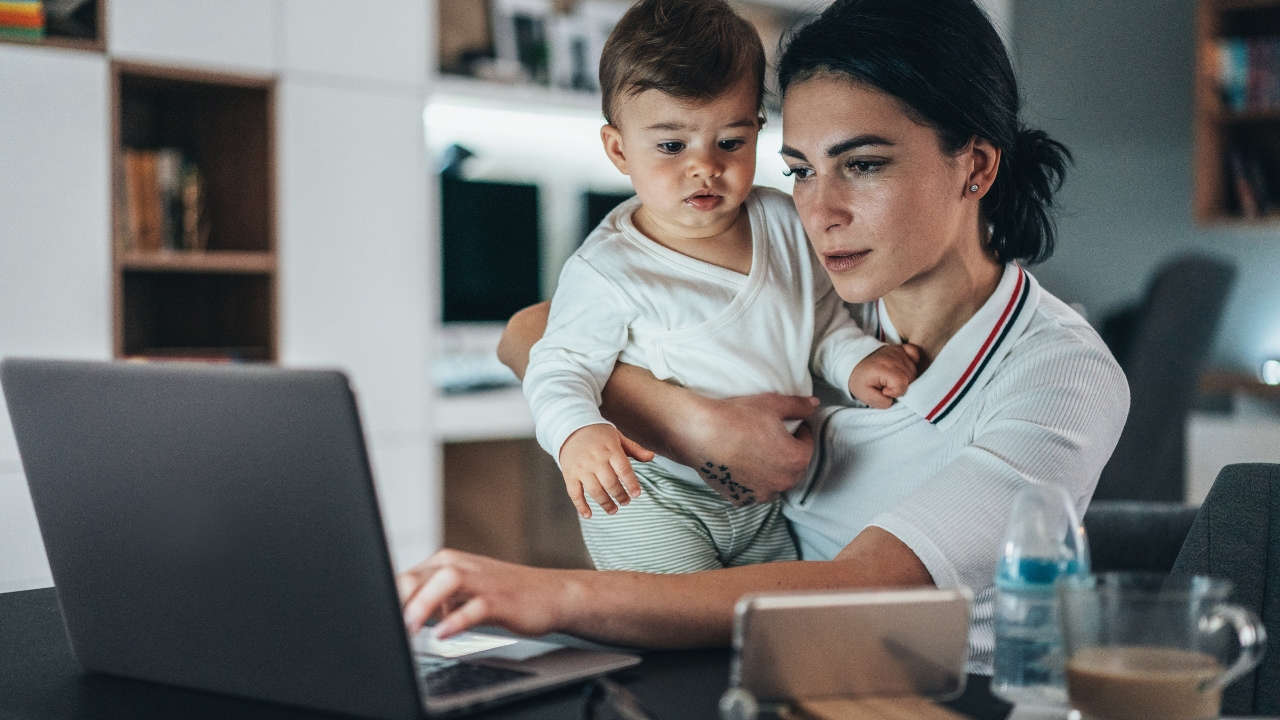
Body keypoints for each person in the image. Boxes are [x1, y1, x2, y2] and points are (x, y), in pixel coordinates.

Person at [398, 0, 1129, 677]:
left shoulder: (1059, 373)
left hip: (918, 692)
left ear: (975, 165)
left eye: (863, 164)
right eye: (800, 171)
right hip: (758, 673)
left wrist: (551, 597)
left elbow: (865, 585)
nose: (820, 211)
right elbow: (529, 331)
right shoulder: (824, 284)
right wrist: (694, 424)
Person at [525, 0, 918, 575]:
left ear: (759, 130)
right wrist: (577, 433)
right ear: (618, 150)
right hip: (655, 497)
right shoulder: (607, 268)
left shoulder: (784, 222)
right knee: (674, 628)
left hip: (762, 505)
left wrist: (857, 363)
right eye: (671, 146)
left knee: (766, 630)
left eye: (730, 142)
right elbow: (558, 365)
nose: (703, 167)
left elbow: (822, 324)